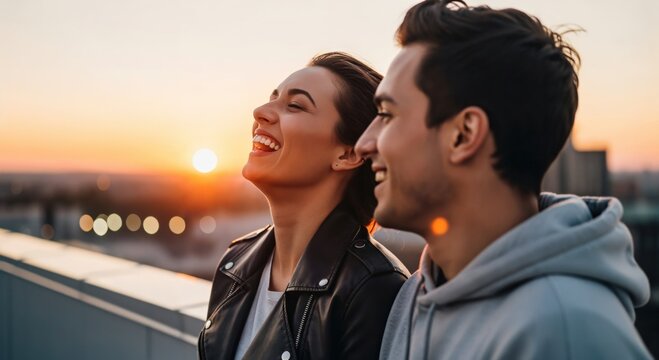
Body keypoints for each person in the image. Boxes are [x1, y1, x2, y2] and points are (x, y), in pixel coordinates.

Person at [355, 1, 652, 359]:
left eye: (387, 114)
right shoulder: (414, 296)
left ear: (464, 134)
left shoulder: (566, 330)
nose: (364, 144)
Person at [198, 52, 409, 360]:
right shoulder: (236, 262)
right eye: (272, 98)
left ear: (349, 154)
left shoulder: (372, 289)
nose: (261, 112)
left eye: (295, 105)